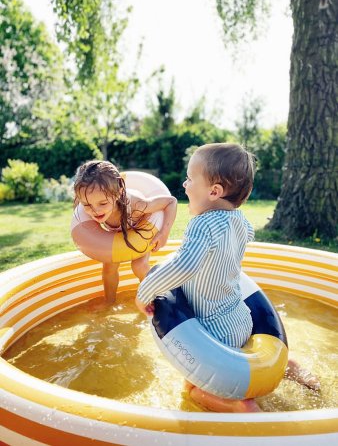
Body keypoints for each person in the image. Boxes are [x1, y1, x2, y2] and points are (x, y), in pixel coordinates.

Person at [135, 143, 320, 413]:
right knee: (244, 356)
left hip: (214, 328)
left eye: (189, 178)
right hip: (241, 318)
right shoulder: (240, 222)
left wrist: (144, 293)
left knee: (192, 391)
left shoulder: (202, 224)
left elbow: (183, 266)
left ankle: (240, 405)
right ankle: (289, 366)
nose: (185, 185)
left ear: (214, 191)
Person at [73, 160, 177, 303]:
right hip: (119, 232)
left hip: (141, 229)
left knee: (138, 266)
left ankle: (155, 301)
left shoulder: (136, 204)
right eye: (87, 204)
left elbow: (171, 202)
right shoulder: (92, 207)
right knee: (109, 267)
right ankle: (109, 303)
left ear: (118, 192)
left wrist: (163, 233)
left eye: (102, 203)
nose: (95, 210)